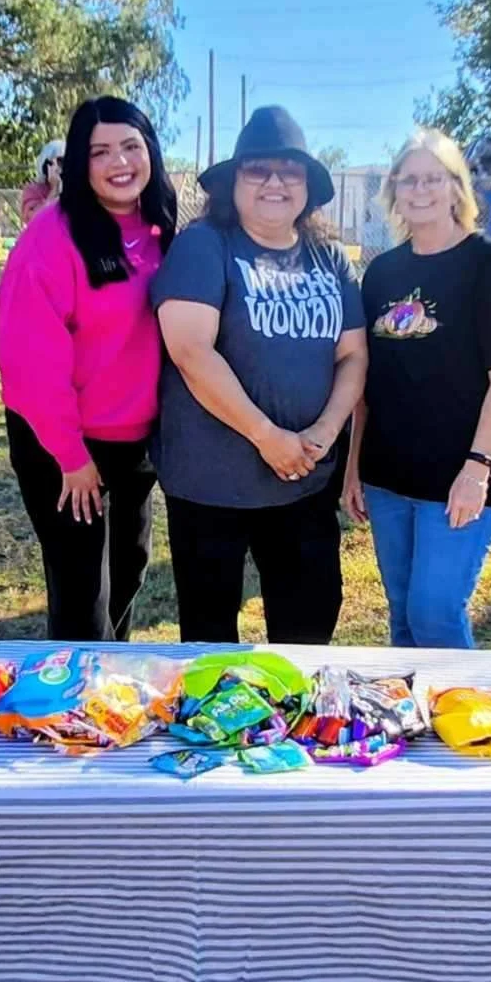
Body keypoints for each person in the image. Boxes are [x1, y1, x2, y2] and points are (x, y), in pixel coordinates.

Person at [152, 106, 367, 644]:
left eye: (290, 171)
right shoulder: (205, 245)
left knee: (309, 628)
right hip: (211, 486)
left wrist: (322, 433)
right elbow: (190, 351)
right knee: (209, 641)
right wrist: (268, 437)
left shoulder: (329, 259)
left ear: (308, 187)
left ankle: (292, 726)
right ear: (234, 182)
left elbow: (353, 356)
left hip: (305, 483)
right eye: (259, 170)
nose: (275, 182)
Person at [343, 129, 491, 649]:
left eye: (433, 178)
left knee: (435, 612)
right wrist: (353, 469)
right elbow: (366, 386)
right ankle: (411, 723)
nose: (420, 190)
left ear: (456, 187)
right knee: (403, 616)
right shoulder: (382, 273)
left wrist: (477, 469)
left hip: (458, 479)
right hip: (387, 479)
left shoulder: (487, 264)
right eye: (409, 180)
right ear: (394, 191)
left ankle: (464, 722)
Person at [0, 98, 176, 641]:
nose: (119, 162)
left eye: (130, 146)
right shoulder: (51, 237)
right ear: (78, 162)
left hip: (134, 444)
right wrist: (70, 458)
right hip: (64, 448)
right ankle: (74, 711)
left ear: (150, 153)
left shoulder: (160, 228)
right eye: (100, 151)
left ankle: (111, 694)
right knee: (82, 598)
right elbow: (28, 361)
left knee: (127, 575)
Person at [19, 140, 64, 228]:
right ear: (46, 165)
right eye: (59, 163)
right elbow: (35, 221)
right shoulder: (32, 190)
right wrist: (54, 189)